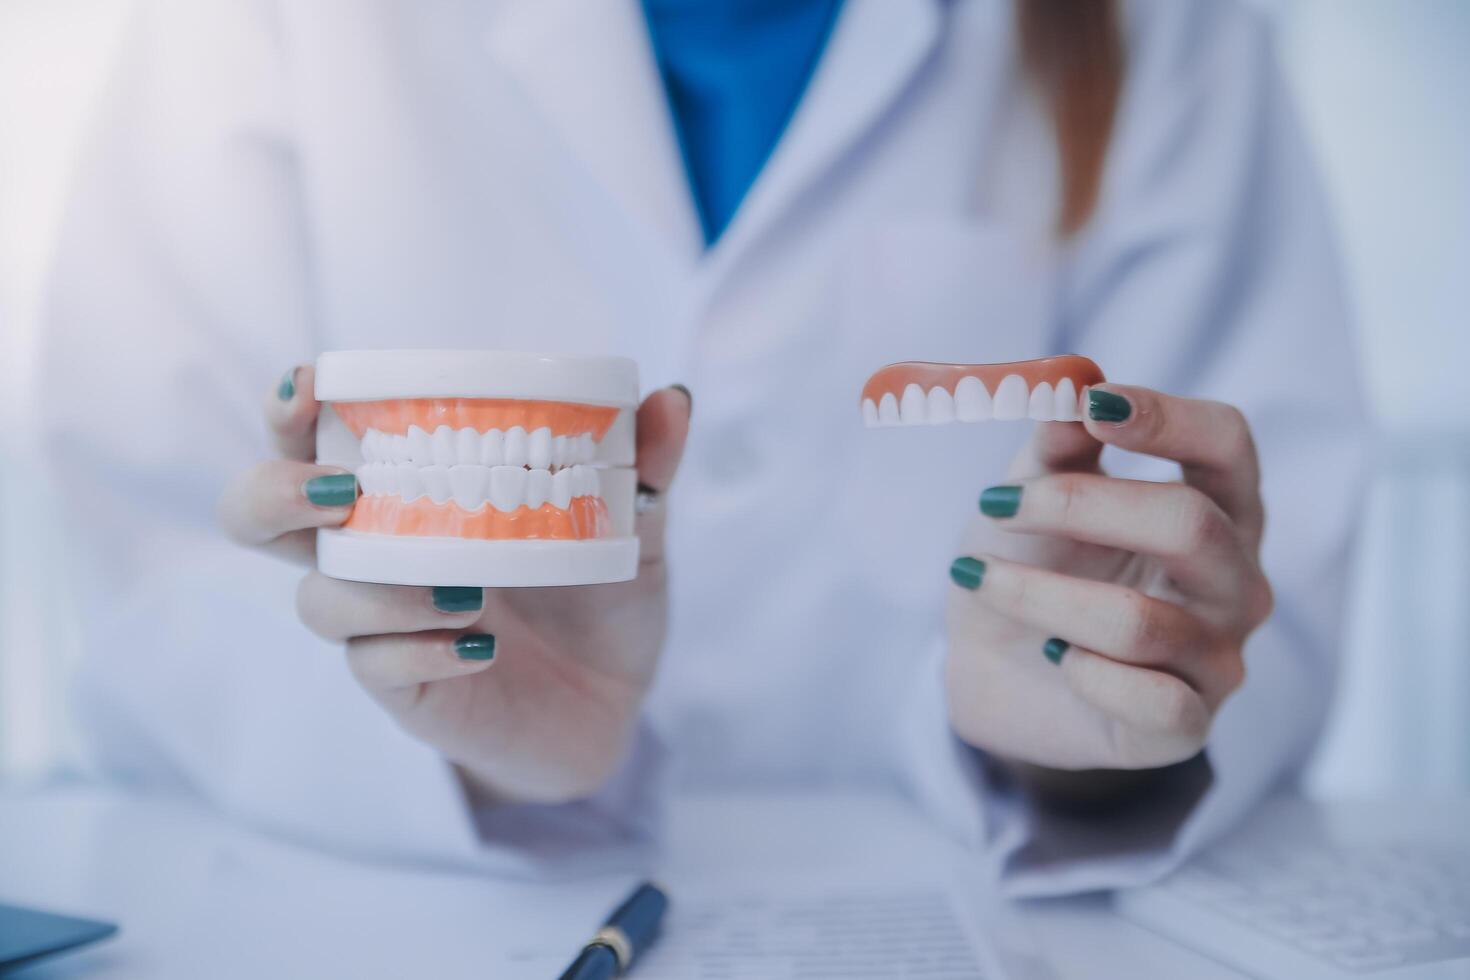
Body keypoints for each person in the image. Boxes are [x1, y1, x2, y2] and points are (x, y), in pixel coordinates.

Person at [41, 0, 1365, 893]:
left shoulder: (1160, 30)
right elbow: (143, 552)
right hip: (405, 909)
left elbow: (1250, 567)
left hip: (958, 903)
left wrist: (1067, 744)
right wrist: (464, 742)